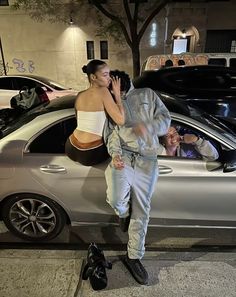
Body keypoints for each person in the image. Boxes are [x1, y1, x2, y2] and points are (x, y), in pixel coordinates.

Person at [104, 70, 171, 285]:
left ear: (125, 83)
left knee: (142, 209)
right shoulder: (110, 101)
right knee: (117, 201)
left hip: (147, 160)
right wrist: (114, 155)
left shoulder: (147, 94)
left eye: (120, 88)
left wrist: (149, 126)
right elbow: (111, 133)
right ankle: (124, 213)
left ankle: (134, 256)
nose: (119, 93)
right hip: (123, 156)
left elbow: (165, 119)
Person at [65, 59, 125, 166]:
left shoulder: (80, 94)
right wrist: (117, 96)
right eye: (105, 75)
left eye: (109, 74)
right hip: (91, 151)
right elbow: (121, 120)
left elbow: (78, 119)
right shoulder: (103, 91)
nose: (109, 78)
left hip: (71, 146)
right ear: (93, 77)